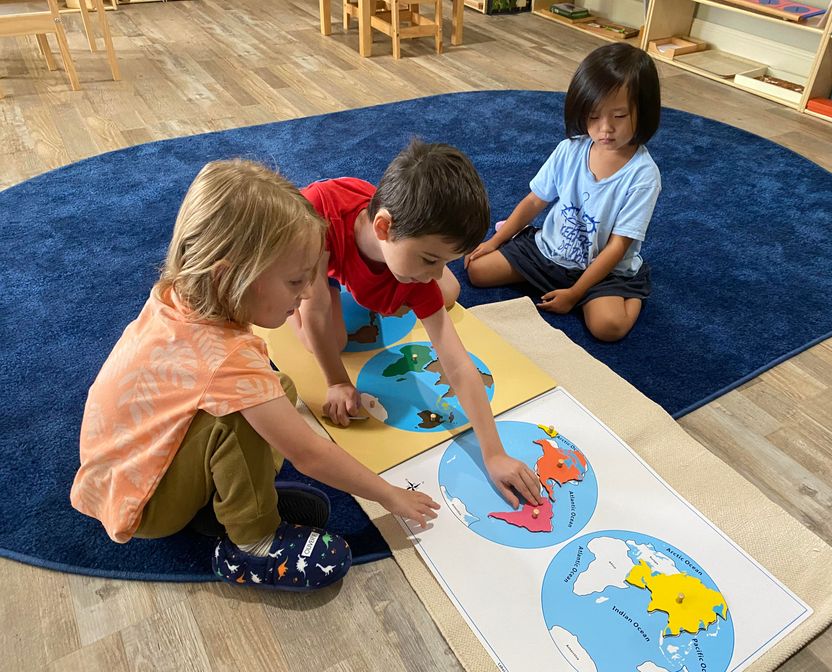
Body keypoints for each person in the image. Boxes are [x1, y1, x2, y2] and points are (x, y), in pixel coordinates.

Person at [70, 159, 439, 592]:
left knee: (274, 387)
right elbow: (309, 455)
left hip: (121, 465)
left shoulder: (180, 296)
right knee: (241, 415)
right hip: (144, 504)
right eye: (295, 281)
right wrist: (388, 495)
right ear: (229, 275)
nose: (305, 294)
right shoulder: (225, 358)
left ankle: (225, 501)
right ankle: (252, 540)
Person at [294, 140, 542, 509]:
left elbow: (457, 364)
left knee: (446, 291)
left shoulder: (417, 268)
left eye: (444, 261)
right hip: (316, 233)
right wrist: (337, 382)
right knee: (330, 337)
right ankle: (307, 287)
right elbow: (314, 312)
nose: (434, 273)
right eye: (430, 259)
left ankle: (381, 280)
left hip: (376, 241)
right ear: (384, 228)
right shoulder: (318, 217)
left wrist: (494, 454)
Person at [465, 43, 662, 342]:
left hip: (604, 271)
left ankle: (636, 287)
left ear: (643, 111)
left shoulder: (643, 175)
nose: (605, 128)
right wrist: (495, 241)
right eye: (594, 116)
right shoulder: (569, 150)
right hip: (550, 251)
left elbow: (617, 247)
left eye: (619, 116)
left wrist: (575, 294)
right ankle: (535, 261)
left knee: (608, 328)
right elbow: (534, 200)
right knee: (476, 269)